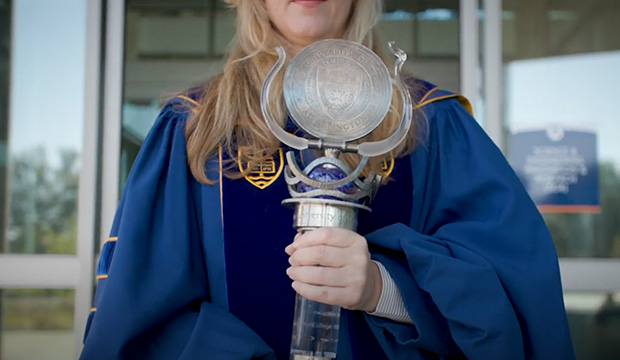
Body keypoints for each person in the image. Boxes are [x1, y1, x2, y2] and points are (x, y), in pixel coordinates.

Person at [80, 0, 576, 359]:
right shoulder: (194, 124)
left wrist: (385, 288)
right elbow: (139, 312)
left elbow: (514, 287)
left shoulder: (429, 122)